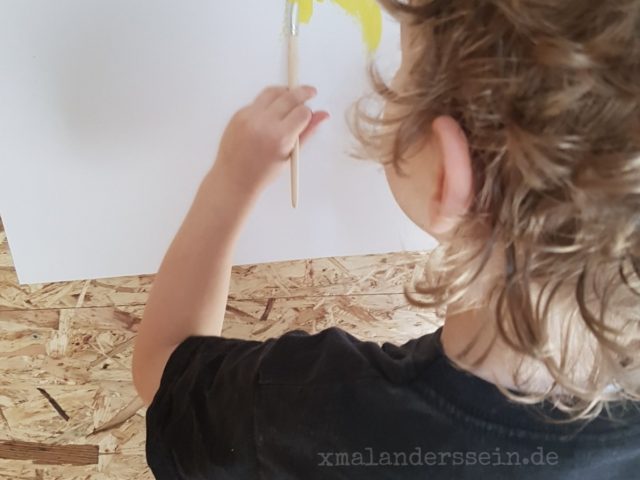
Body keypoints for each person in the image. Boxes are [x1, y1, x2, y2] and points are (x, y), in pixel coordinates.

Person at [132, 1, 640, 478]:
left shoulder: (310, 412)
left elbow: (161, 367)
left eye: (402, 71)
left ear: (447, 178)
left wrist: (230, 181)